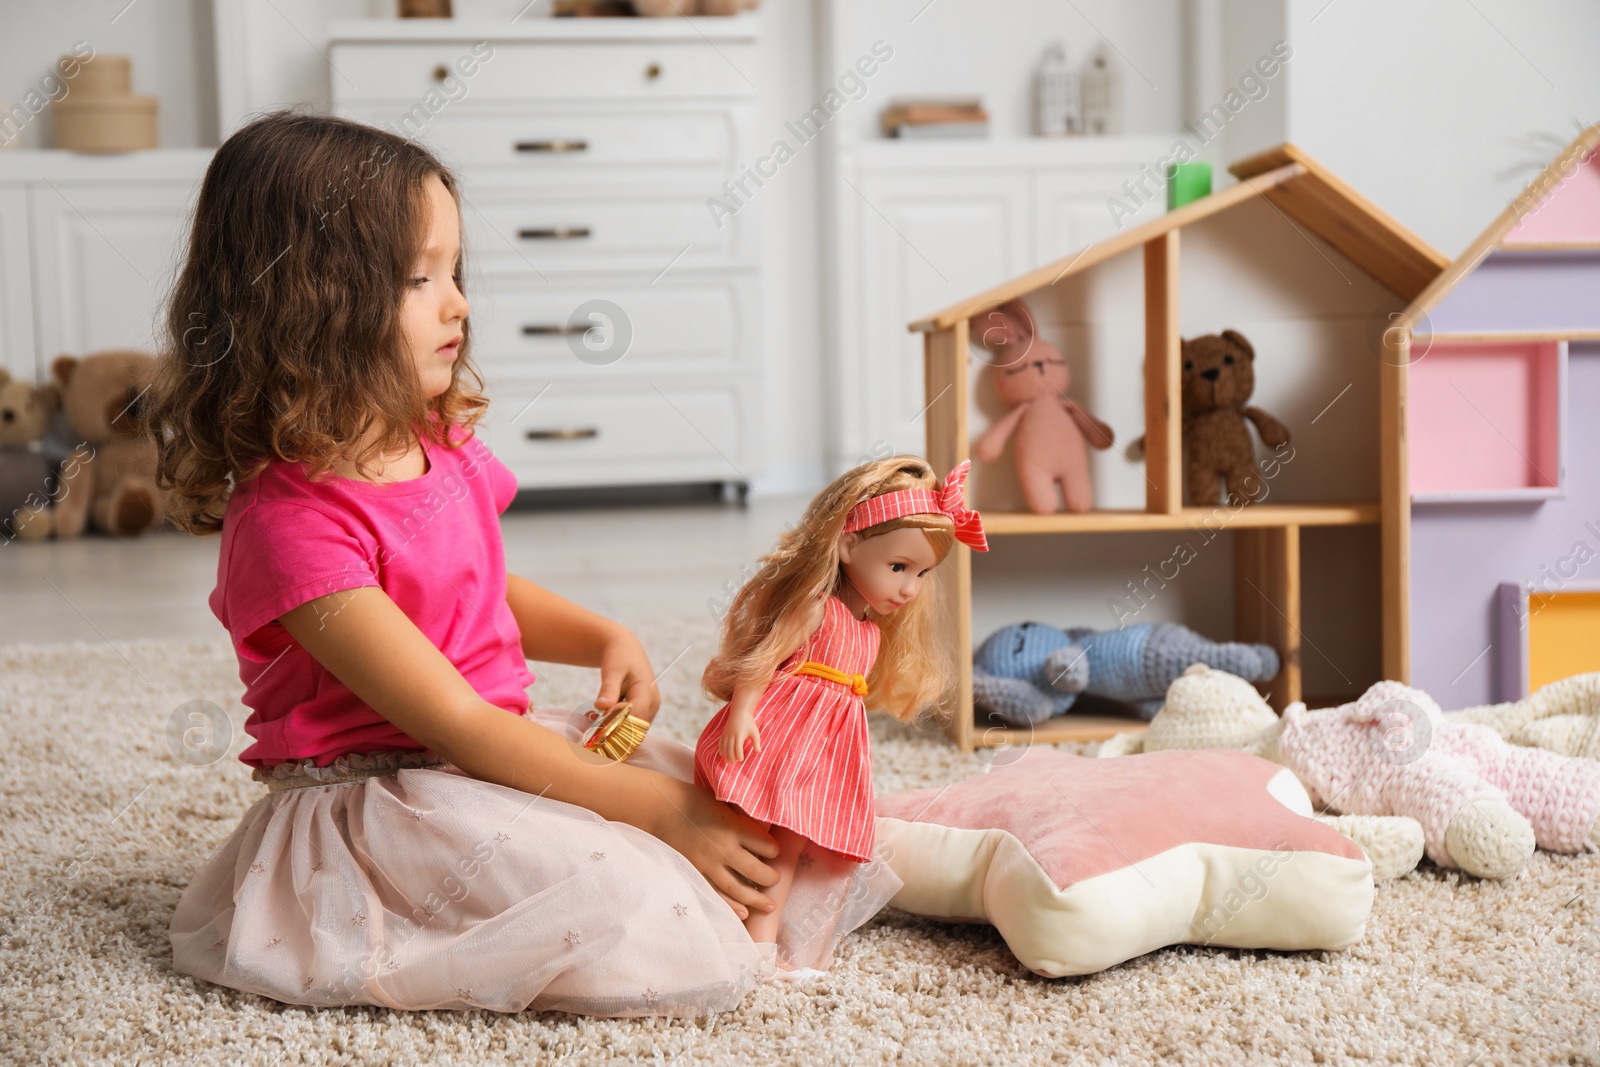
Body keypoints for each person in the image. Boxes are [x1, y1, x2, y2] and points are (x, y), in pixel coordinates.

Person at [146, 109, 780, 1016]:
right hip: (390, 797)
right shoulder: (288, 523)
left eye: (455, 272)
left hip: (482, 749)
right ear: (312, 305)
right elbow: (452, 718)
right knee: (631, 898)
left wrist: (603, 632)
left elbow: (471, 583)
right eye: (420, 278)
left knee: (731, 793)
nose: (461, 304)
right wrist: (655, 815)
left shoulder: (432, 441)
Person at [694, 456, 988, 973]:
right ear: (849, 544)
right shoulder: (815, 607)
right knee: (760, 832)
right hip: (782, 732)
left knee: (793, 841)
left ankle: (763, 941)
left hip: (826, 745)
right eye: (899, 567)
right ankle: (733, 931)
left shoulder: (870, 630)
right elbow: (763, 658)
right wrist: (742, 711)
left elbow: (845, 694)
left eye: (921, 573)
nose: (910, 588)